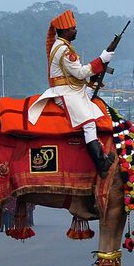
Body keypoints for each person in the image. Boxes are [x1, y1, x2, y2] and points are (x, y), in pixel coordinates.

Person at [27, 10, 116, 177]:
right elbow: (81, 73)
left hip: (72, 89)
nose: (76, 30)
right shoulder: (64, 50)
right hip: (65, 93)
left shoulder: (63, 46)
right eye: (73, 28)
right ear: (65, 30)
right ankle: (100, 163)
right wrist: (102, 59)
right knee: (89, 123)